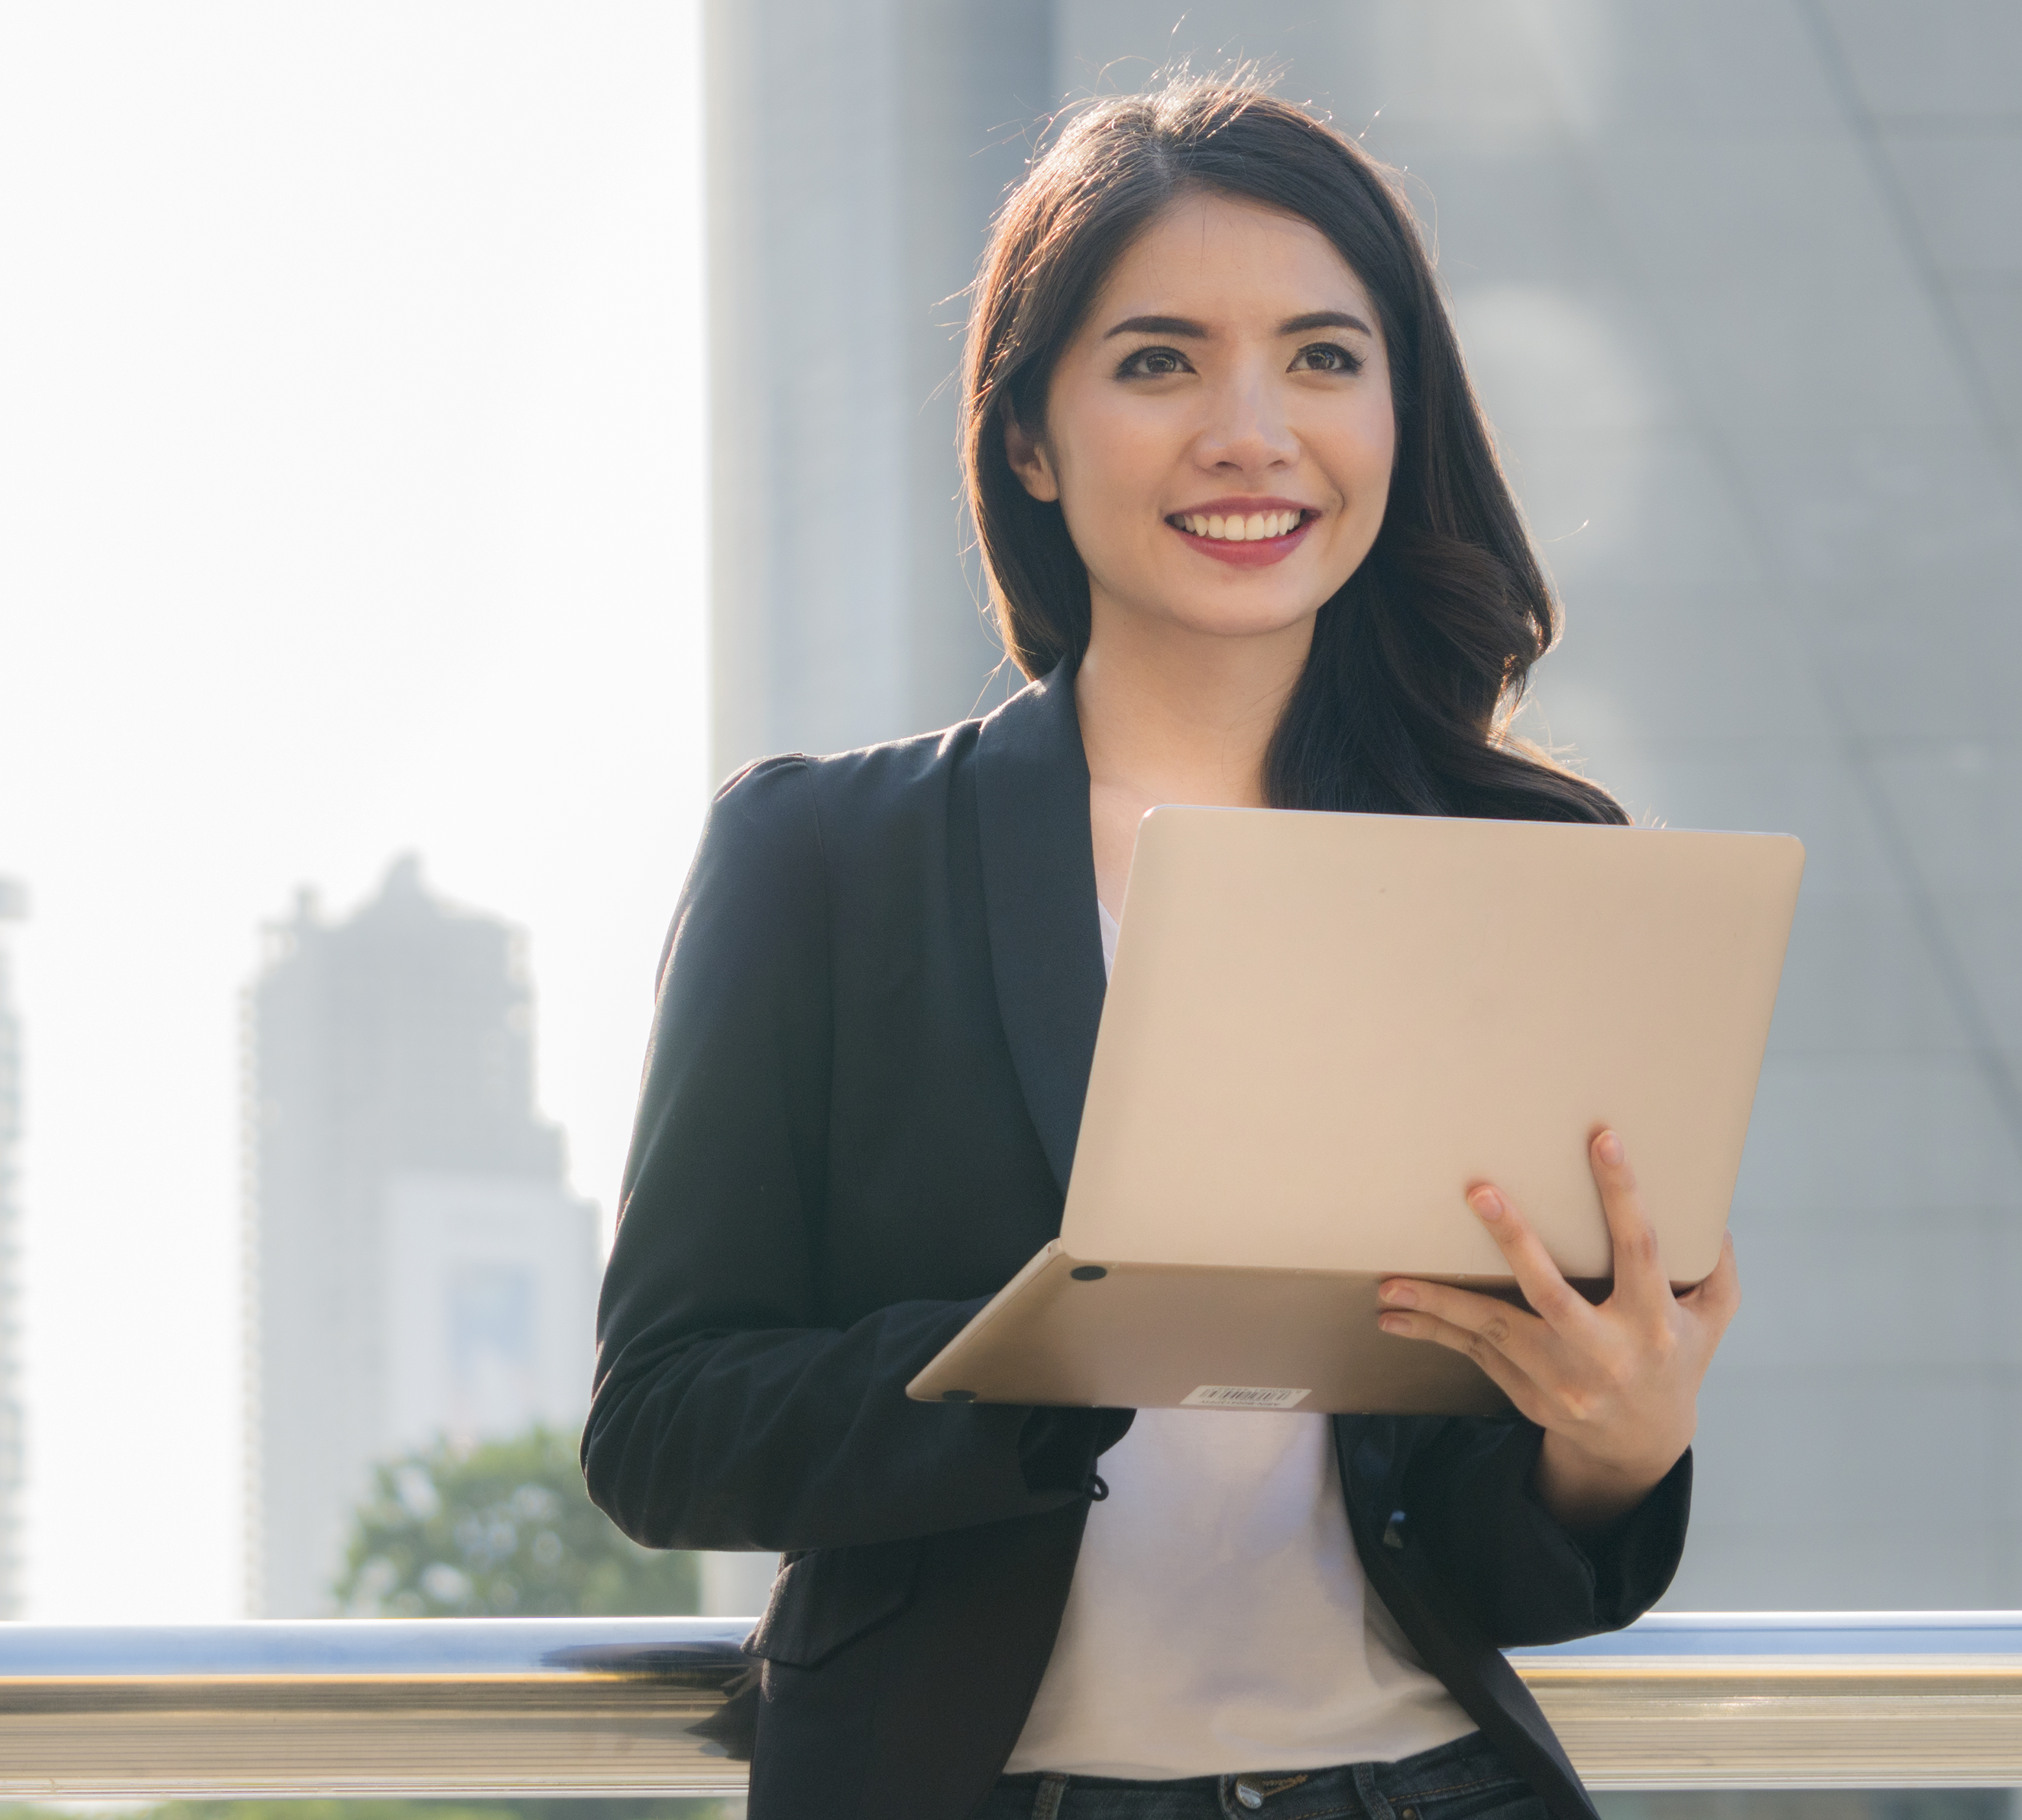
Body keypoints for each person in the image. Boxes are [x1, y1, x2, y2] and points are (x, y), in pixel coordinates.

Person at [583, 79, 1742, 1820]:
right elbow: (661, 1429)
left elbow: (1504, 1571)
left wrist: (1619, 1438)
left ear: (1400, 416)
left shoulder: (1525, 870)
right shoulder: (824, 861)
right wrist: (1043, 1359)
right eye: (1159, 361)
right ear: (1030, 441)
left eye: (1325, 359)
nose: (1251, 431)